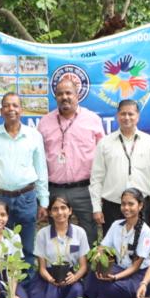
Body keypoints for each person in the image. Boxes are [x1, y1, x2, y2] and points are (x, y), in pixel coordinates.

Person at [0, 92, 48, 261]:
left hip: (26, 198)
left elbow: (41, 170)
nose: (11, 109)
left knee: (27, 248)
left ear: (21, 110)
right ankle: (5, 286)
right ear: (1, 110)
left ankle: (26, 286)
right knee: (1, 247)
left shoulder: (34, 136)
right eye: (7, 105)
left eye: (15, 105)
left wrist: (44, 201)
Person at [40, 74, 105, 243]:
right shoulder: (45, 122)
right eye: (60, 94)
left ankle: (89, 269)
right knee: (56, 232)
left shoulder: (93, 120)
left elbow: (102, 156)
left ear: (77, 95)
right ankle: (59, 267)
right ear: (55, 97)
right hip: (55, 188)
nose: (65, 97)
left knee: (89, 231)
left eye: (69, 93)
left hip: (84, 189)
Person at [90, 99, 150, 231]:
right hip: (113, 207)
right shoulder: (104, 143)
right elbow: (96, 178)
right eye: (123, 114)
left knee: (142, 249)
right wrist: (97, 208)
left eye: (131, 114)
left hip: (142, 207)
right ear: (117, 116)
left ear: (138, 116)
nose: (127, 118)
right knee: (112, 250)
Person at [85, 188, 150, 298]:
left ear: (140, 206)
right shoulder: (116, 225)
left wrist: (115, 277)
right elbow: (103, 247)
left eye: (131, 204)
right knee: (93, 277)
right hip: (120, 268)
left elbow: (135, 266)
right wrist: (98, 257)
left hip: (137, 274)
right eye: (123, 204)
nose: (126, 207)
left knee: (109, 286)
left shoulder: (145, 231)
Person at [24, 195, 90, 298]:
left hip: (69, 276)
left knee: (77, 291)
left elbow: (83, 266)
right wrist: (50, 279)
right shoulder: (43, 233)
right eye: (55, 209)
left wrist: (75, 277)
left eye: (63, 208)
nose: (59, 212)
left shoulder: (79, 232)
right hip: (47, 277)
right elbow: (41, 268)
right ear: (50, 213)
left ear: (70, 211)